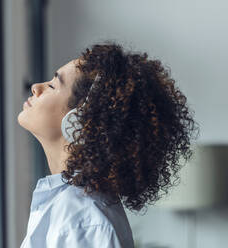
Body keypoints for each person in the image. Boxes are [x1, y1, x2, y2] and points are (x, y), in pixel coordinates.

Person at [17, 41, 200, 247]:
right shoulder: (75, 209)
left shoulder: (83, 221)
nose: (35, 87)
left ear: (79, 121)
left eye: (52, 86)